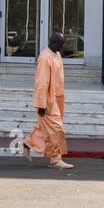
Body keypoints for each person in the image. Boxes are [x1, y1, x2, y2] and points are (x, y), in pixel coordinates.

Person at [23, 32, 72, 169]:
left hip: (58, 97)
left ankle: (27, 143)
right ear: (54, 42)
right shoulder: (45, 58)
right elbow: (42, 83)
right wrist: (41, 104)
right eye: (61, 44)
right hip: (48, 100)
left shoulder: (56, 54)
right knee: (57, 129)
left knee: (45, 129)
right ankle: (55, 160)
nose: (63, 48)